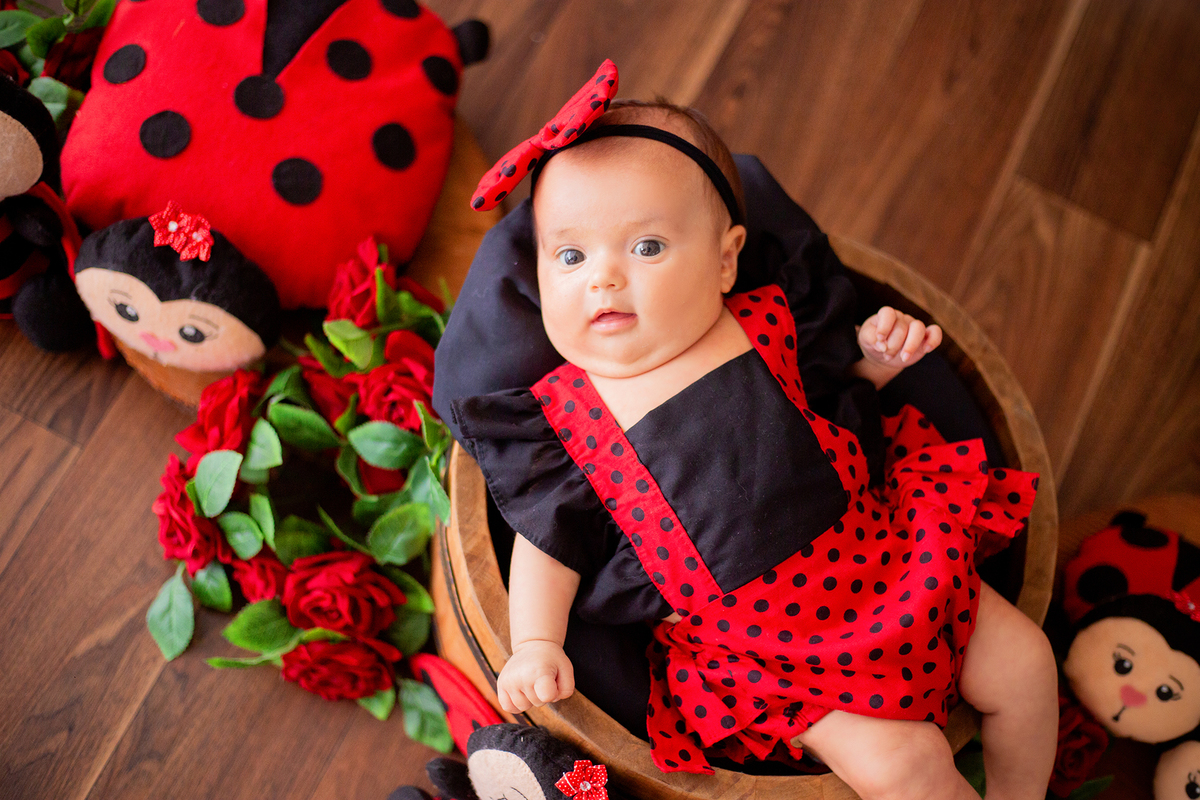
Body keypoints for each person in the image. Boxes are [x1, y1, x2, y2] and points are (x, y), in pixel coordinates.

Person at [454, 62, 1059, 800]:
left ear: (725, 259)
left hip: (888, 557)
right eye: (570, 257)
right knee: (905, 767)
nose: (603, 278)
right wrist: (536, 643)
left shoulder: (768, 319)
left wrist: (873, 363)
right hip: (773, 651)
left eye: (645, 247)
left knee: (1026, 661)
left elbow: (831, 410)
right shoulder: (566, 417)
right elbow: (550, 542)